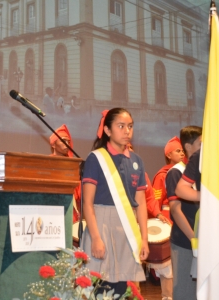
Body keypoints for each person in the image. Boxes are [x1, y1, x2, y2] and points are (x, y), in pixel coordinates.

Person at [81, 108, 149, 296]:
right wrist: (95, 237)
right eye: (121, 126)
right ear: (108, 131)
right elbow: (87, 203)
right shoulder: (96, 158)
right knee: (99, 285)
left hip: (127, 228)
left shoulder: (137, 161)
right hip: (101, 225)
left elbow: (141, 203)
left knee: (121, 286)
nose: (127, 131)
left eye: (130, 126)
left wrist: (144, 238)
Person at [127, 143, 172, 299]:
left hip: (140, 221)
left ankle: (168, 296)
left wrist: (158, 214)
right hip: (121, 224)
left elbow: (150, 198)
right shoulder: (111, 173)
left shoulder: (141, 173)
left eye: (131, 148)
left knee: (163, 262)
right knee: (132, 265)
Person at [165, 126, 202, 300]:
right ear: (188, 146)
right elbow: (175, 209)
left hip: (198, 241)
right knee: (184, 291)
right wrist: (194, 237)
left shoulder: (201, 172)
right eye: (201, 143)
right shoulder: (176, 172)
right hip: (184, 241)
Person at [49, 124, 80, 223]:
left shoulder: (73, 164)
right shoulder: (47, 162)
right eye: (63, 141)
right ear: (53, 144)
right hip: (52, 208)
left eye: (68, 141)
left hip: (70, 209)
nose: (67, 144)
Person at [152, 136, 185, 221]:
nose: (182, 154)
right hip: (167, 218)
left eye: (183, 151)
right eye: (178, 151)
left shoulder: (186, 173)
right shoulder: (162, 175)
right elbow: (156, 200)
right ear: (169, 155)